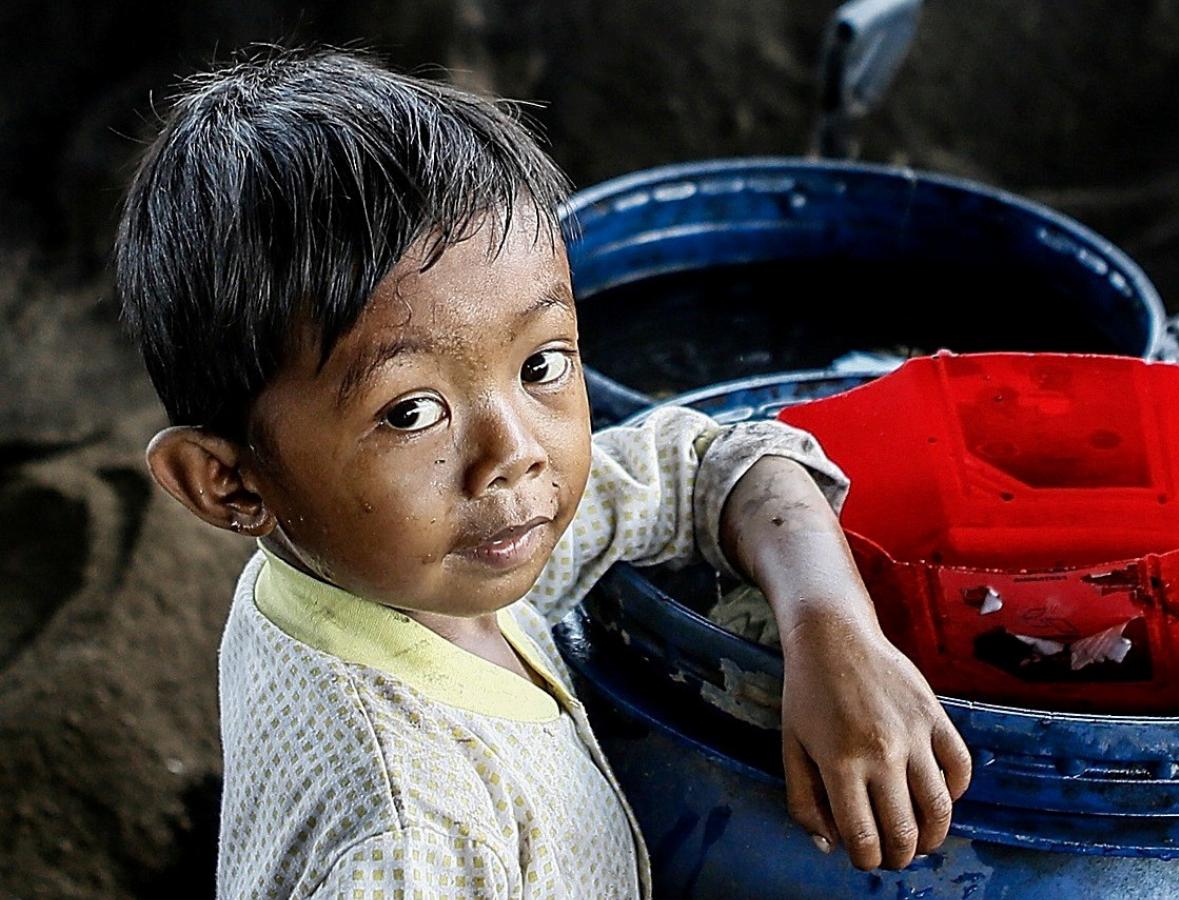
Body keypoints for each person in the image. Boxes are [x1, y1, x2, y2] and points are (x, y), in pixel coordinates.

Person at [113, 49, 971, 897]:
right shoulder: (413, 842)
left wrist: (834, 630)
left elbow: (710, 459)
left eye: (541, 364)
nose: (514, 450)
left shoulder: (412, 562)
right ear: (226, 484)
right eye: (411, 413)